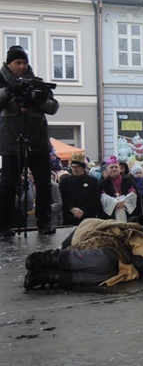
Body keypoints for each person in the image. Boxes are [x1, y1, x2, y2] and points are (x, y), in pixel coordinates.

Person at [0, 45, 60, 235]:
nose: (22, 66)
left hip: (38, 142)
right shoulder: (1, 81)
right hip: (11, 142)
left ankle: (44, 222)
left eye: (25, 62)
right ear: (8, 64)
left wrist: (39, 100)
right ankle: (3, 225)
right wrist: (10, 91)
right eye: (18, 62)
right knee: (8, 184)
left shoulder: (37, 82)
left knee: (44, 184)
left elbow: (53, 107)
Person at [59, 152, 100, 226]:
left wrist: (83, 210)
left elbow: (95, 198)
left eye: (78, 167)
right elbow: (62, 197)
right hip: (70, 216)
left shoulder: (93, 181)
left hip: (88, 217)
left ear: (83, 168)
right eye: (73, 167)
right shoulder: (65, 181)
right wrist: (71, 208)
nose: (75, 169)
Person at [99, 155, 141, 221]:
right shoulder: (103, 183)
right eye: (111, 167)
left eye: (116, 167)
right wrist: (115, 203)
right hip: (110, 217)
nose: (114, 169)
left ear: (119, 168)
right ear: (107, 169)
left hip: (128, 213)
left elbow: (134, 193)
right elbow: (102, 197)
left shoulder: (128, 180)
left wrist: (124, 202)